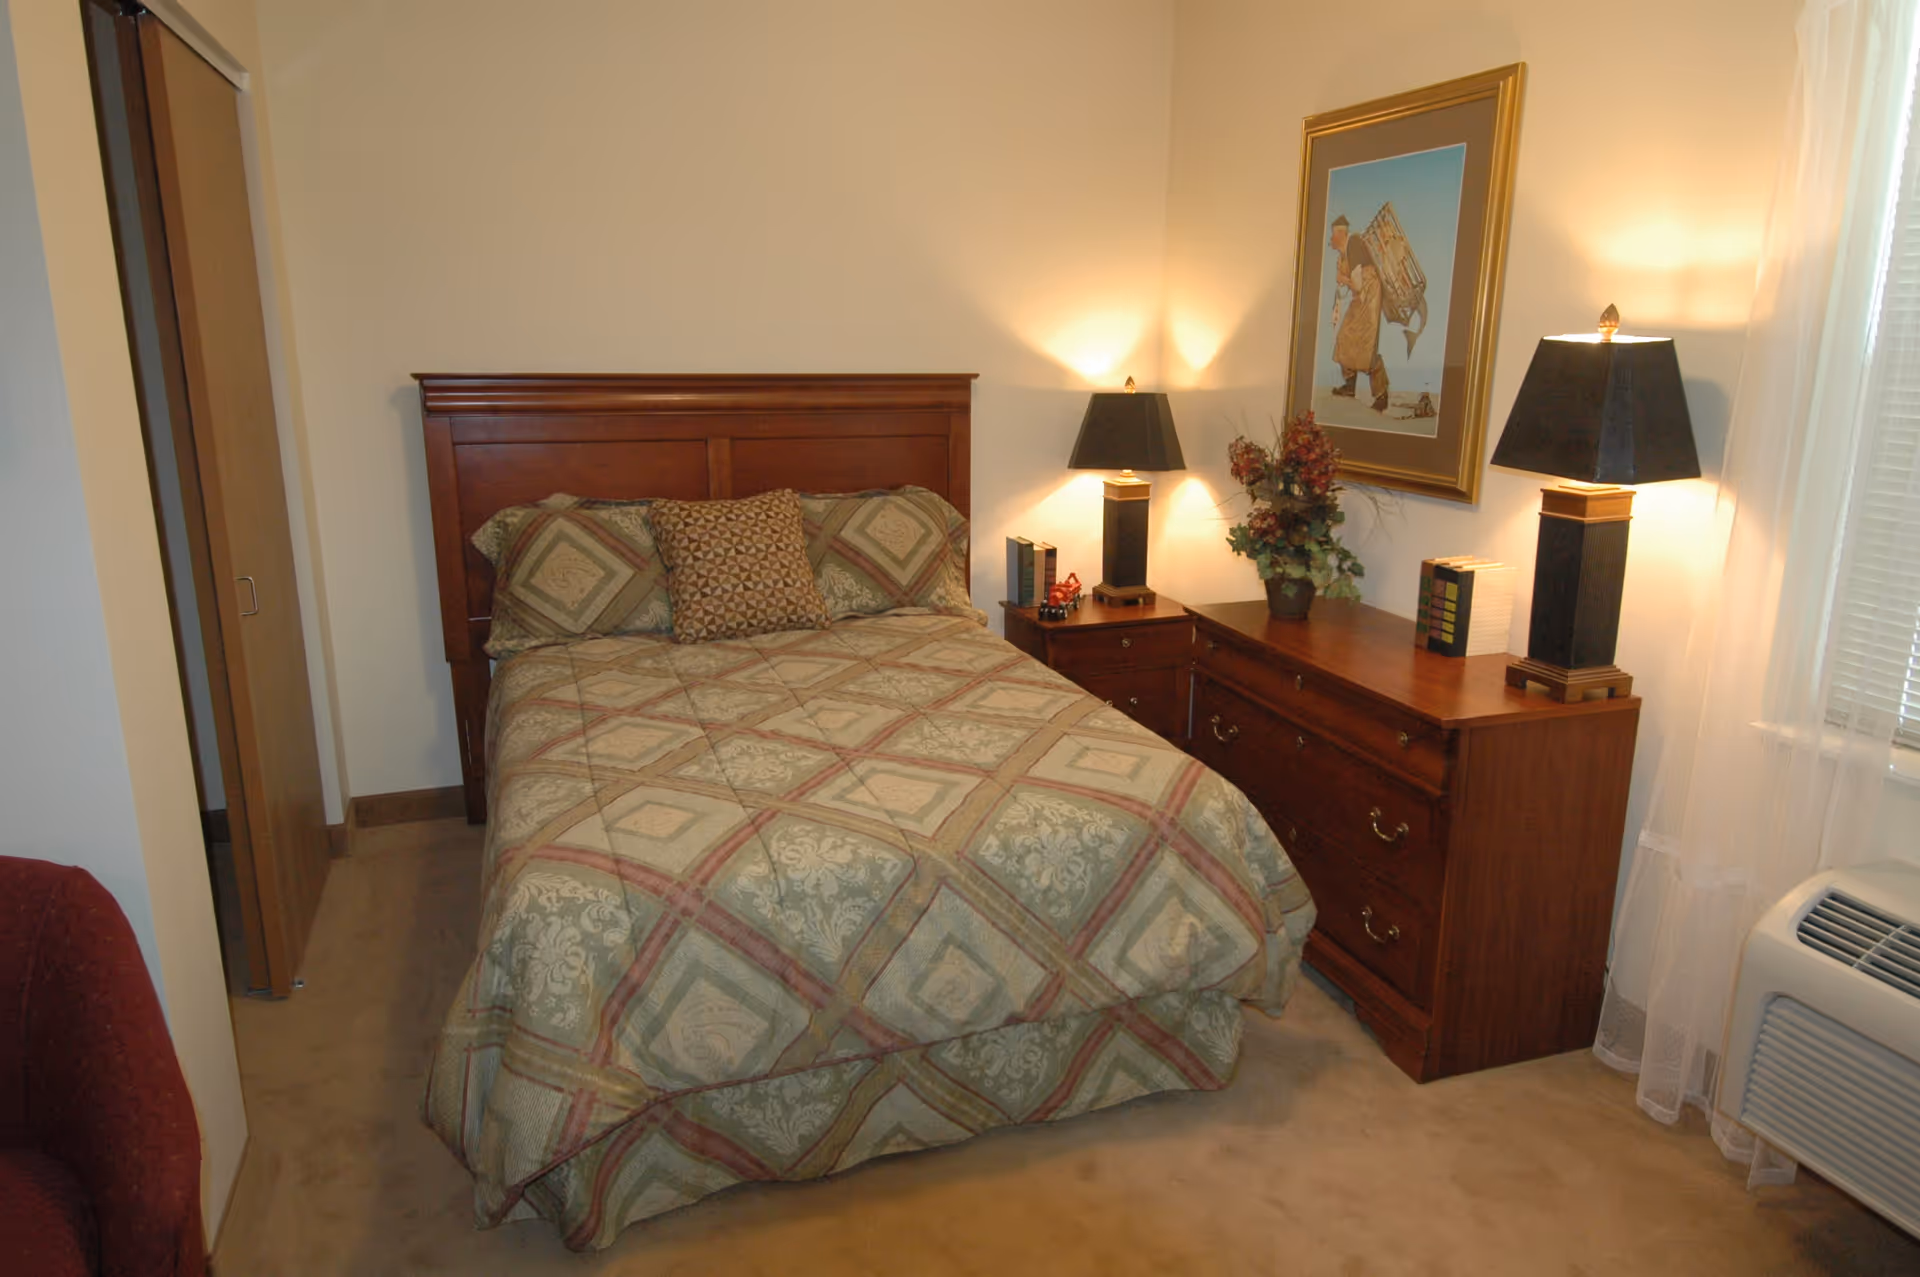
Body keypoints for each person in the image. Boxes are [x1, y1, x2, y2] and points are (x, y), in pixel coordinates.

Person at [1328, 215, 1389, 412]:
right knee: (1345, 337)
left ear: (1340, 233)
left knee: (1365, 346)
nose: (1331, 239)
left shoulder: (1353, 244)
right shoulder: (1343, 254)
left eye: (1333, 235)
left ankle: (1381, 395)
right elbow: (1348, 288)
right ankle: (1349, 386)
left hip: (1369, 295)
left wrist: (1342, 278)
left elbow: (1357, 283)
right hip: (1360, 297)